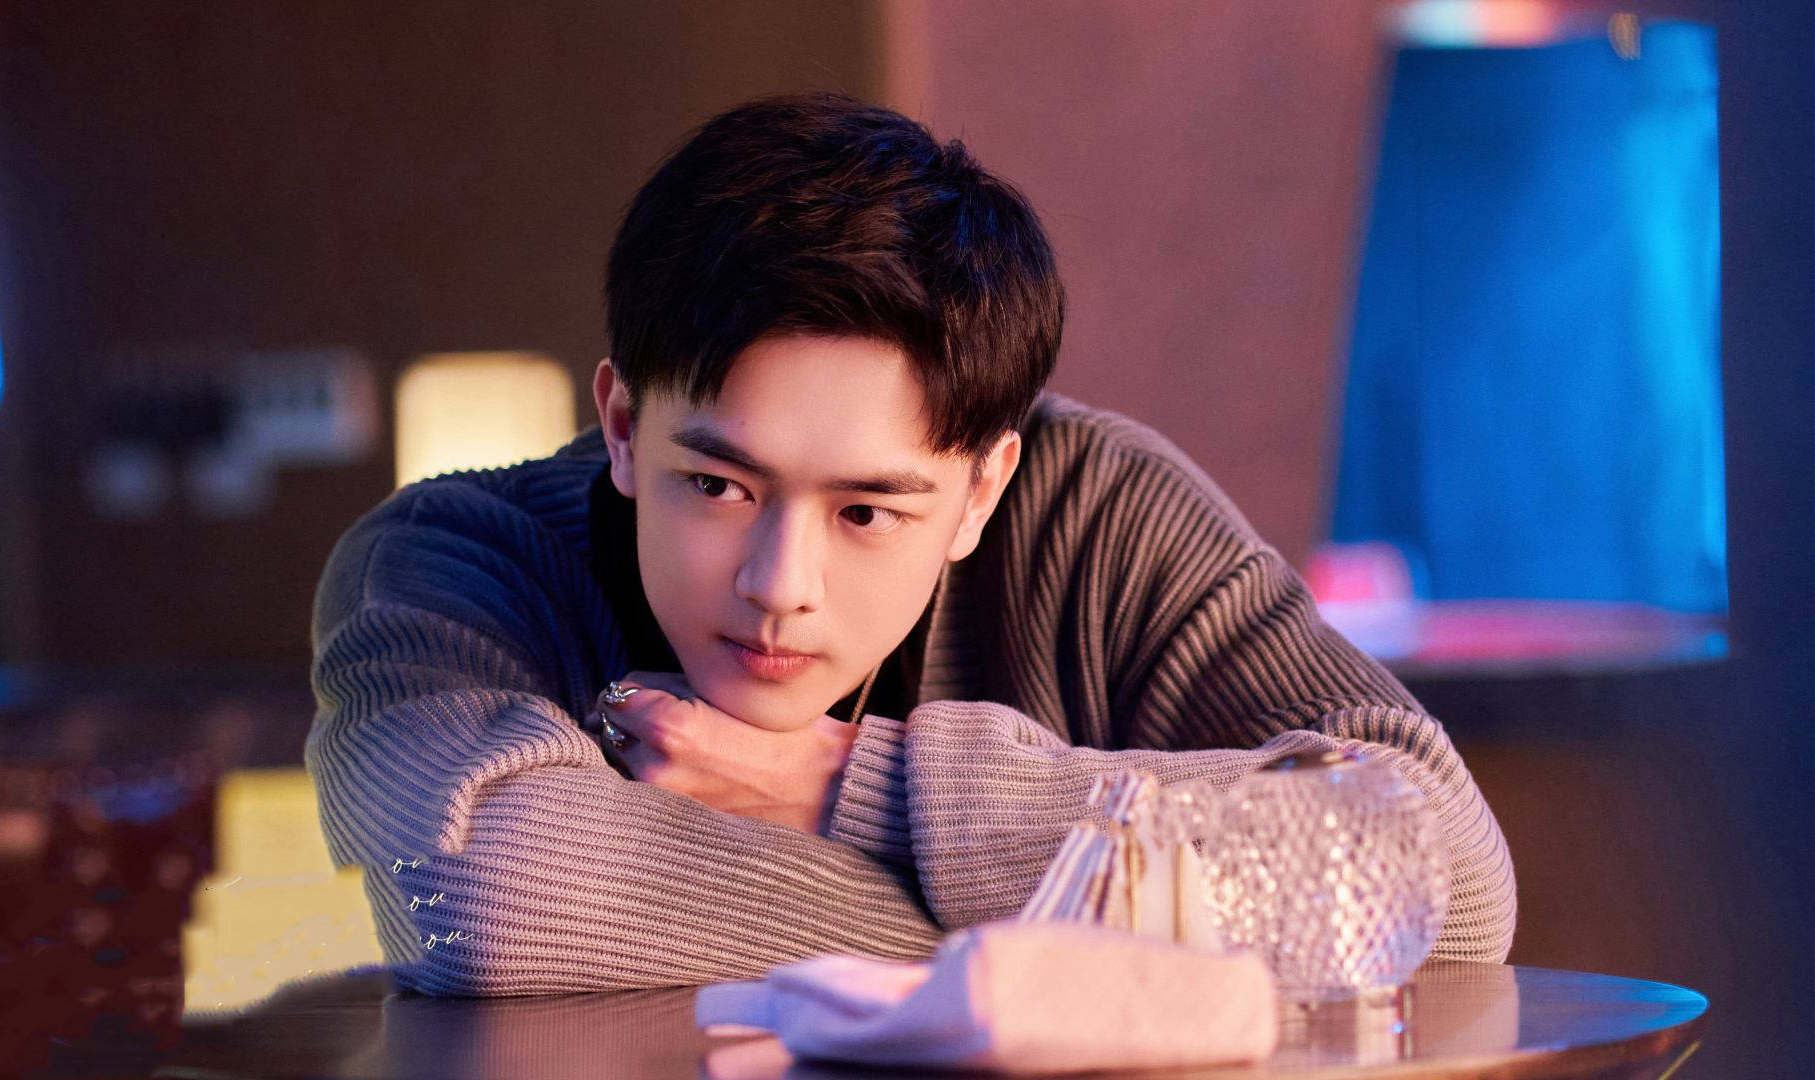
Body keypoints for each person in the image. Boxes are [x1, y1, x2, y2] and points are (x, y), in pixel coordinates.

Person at [306, 91, 1516, 996]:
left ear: (984, 486)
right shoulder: (451, 563)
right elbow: (491, 898)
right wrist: (1090, 932)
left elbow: (1440, 876)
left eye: (866, 512)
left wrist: (848, 789)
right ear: (623, 426)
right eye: (718, 486)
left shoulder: (1101, 519)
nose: (779, 587)